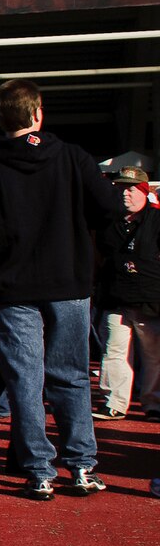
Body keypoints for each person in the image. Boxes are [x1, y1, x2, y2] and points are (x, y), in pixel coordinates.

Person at [0, 80, 118, 500]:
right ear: (37, 113)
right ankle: (80, 466)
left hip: (13, 287)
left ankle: (39, 470)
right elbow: (110, 208)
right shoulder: (72, 157)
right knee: (72, 377)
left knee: (24, 379)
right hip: (68, 281)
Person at [96, 165, 160, 420]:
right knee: (113, 350)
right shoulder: (107, 221)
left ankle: (153, 403)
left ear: (144, 192)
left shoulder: (156, 220)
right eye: (121, 188)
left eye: (132, 189)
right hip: (115, 297)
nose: (126, 194)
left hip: (150, 299)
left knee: (153, 354)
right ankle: (114, 402)